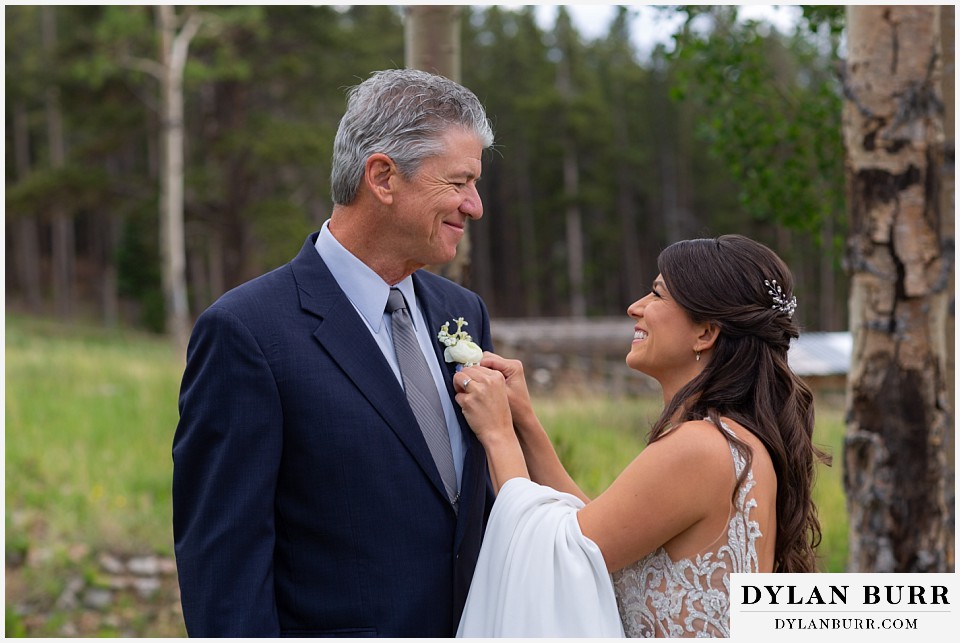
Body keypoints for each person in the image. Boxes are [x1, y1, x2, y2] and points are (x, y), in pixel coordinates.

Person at [173, 68, 497, 637]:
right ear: (382, 176)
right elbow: (224, 559)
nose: (474, 206)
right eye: (459, 182)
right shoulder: (246, 332)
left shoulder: (462, 312)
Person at [453, 234, 829, 637]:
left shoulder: (700, 447)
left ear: (705, 333)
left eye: (657, 294)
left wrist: (497, 435)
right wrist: (525, 422)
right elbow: (597, 530)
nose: (636, 307)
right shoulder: (731, 440)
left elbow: (560, 554)